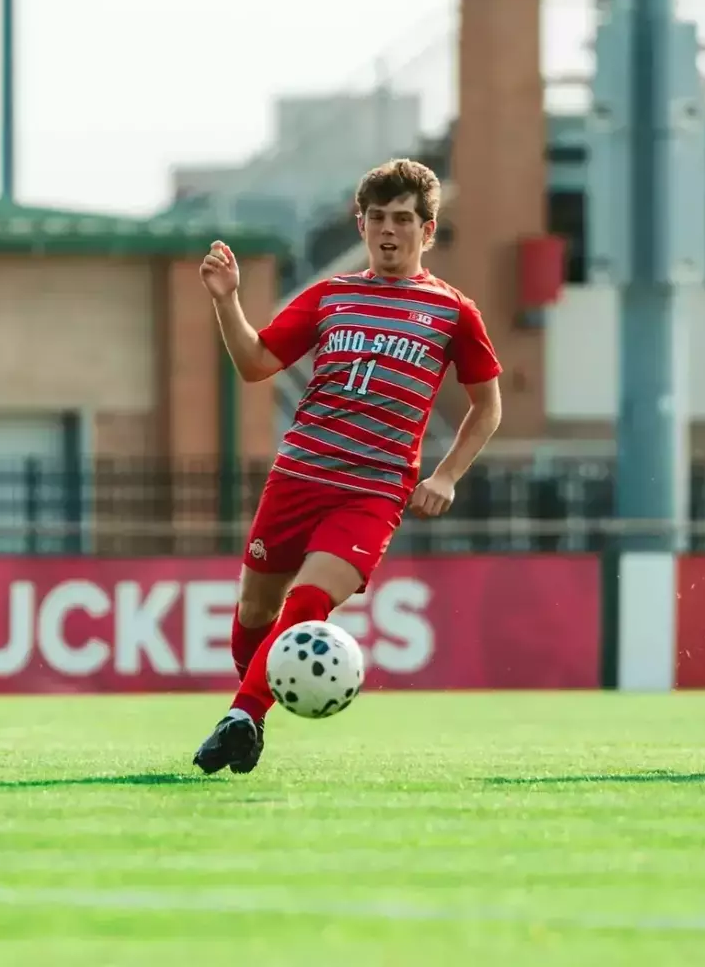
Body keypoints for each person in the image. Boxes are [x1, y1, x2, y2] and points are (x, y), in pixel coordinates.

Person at [190, 158, 503, 775]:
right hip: (297, 478)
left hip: (371, 493)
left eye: (404, 220)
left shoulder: (451, 313)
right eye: (379, 218)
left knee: (307, 602)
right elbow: (256, 365)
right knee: (255, 615)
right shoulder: (330, 296)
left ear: (429, 231)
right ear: (362, 224)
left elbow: (488, 406)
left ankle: (242, 715)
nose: (390, 231)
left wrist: (444, 475)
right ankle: (250, 713)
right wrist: (228, 303)